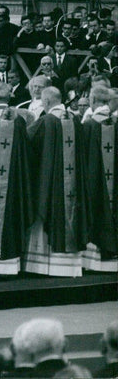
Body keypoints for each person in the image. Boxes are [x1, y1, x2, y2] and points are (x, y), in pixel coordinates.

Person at [25, 86, 87, 277]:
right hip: (73, 183)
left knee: (48, 212)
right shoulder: (76, 120)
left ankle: (45, 266)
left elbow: (27, 142)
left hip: (51, 182)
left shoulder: (46, 121)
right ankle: (70, 266)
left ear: (47, 102)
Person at [80, 85, 118, 273]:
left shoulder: (88, 125)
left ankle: (96, 256)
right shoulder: (116, 123)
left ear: (93, 101)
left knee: (96, 207)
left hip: (94, 179)